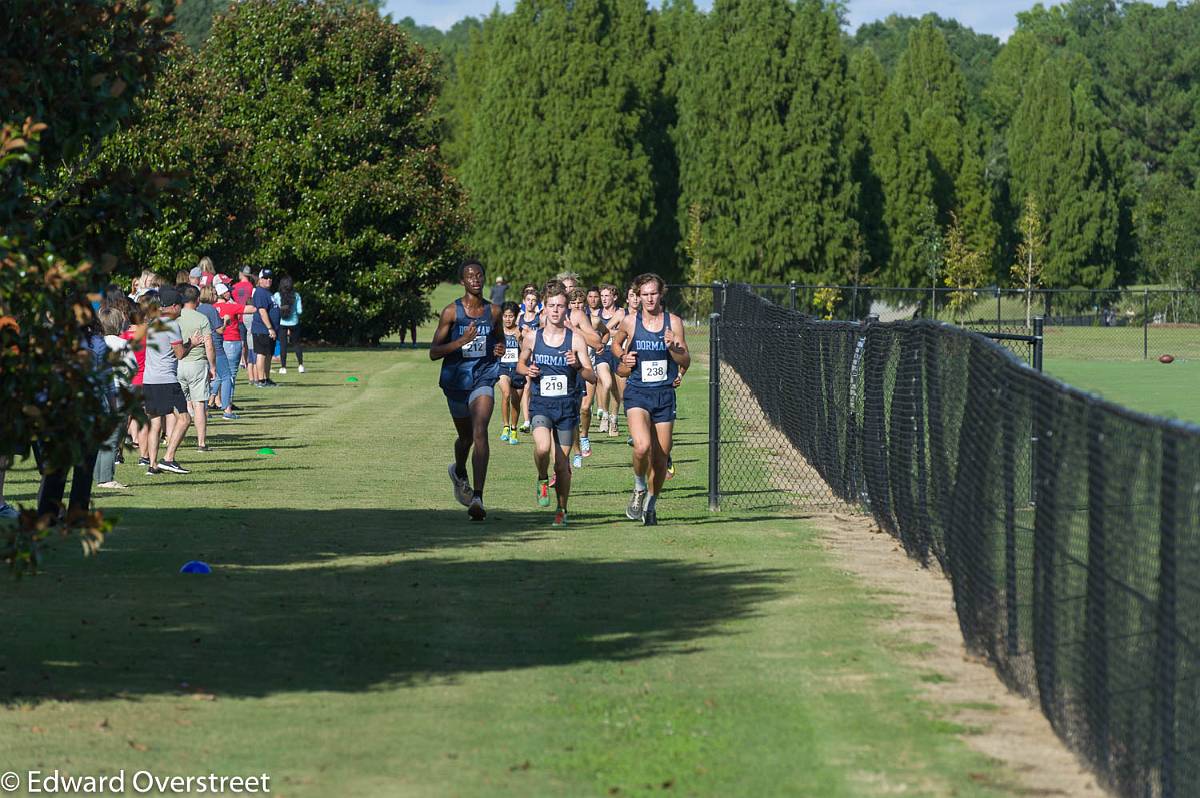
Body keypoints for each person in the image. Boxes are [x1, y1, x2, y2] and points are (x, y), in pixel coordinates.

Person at [430, 259, 505, 521]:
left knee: (480, 429)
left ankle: (478, 497)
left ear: (484, 278)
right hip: (456, 381)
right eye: (469, 276)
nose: (475, 279)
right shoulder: (451, 312)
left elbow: (500, 338)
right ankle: (459, 470)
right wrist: (461, 341)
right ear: (462, 281)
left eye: (479, 275)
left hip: (483, 377)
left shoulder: (494, 311)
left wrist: (500, 348)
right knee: (466, 439)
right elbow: (434, 352)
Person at [611, 273, 689, 526]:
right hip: (637, 392)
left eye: (653, 293)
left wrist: (673, 348)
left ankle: (651, 505)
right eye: (644, 294)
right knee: (642, 446)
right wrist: (624, 356)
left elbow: (684, 360)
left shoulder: (673, 322)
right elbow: (615, 344)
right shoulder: (630, 322)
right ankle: (638, 488)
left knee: (661, 458)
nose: (649, 298)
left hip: (664, 394)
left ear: (661, 293)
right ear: (637, 296)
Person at [517, 280, 595, 527]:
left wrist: (578, 366)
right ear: (544, 307)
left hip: (566, 408)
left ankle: (562, 509)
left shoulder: (575, 340)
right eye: (551, 305)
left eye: (561, 306)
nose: (556, 310)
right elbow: (520, 364)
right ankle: (541, 478)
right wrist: (528, 369)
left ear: (566, 309)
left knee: (562, 466)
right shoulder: (532, 337)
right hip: (541, 405)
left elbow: (592, 376)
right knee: (541, 448)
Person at [142, 287, 202, 475]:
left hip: (149, 380)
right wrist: (192, 343)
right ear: (174, 306)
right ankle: (168, 458)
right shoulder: (171, 325)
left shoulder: (153, 322)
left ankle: (152, 465)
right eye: (181, 306)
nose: (182, 309)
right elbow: (180, 354)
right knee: (185, 419)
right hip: (166, 380)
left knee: (154, 422)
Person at [94, 306, 136, 490]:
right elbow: (131, 368)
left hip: (99, 392)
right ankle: (106, 478)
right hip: (118, 391)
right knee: (113, 437)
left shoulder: (96, 343)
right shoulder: (122, 344)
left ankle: (98, 475)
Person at [177, 284, 218, 452]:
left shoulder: (176, 318)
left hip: (179, 364)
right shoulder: (201, 319)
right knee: (199, 404)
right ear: (197, 300)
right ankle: (201, 443)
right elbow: (209, 345)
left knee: (181, 404)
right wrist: (213, 366)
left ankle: (173, 438)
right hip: (197, 364)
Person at [211, 281, 246, 420]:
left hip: (219, 343)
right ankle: (227, 408)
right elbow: (251, 309)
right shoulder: (230, 306)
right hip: (232, 341)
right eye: (227, 291)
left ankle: (211, 402)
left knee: (219, 376)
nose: (229, 293)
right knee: (230, 376)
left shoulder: (212, 308)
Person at [595, 283, 622, 437]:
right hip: (602, 352)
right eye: (602, 296)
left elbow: (622, 332)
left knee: (617, 392)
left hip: (617, 352)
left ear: (615, 297)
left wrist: (604, 331)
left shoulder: (620, 313)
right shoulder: (596, 314)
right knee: (607, 383)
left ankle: (614, 419)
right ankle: (605, 415)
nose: (604, 299)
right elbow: (595, 332)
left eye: (607, 296)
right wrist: (613, 332)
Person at [497, 301, 525, 445]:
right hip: (502, 368)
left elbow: (526, 351)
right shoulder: (497, 331)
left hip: (518, 370)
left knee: (515, 402)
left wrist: (519, 339)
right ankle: (506, 426)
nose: (508, 319)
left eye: (511, 316)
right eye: (505, 316)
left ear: (516, 317)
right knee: (506, 394)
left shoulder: (521, 331)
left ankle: (514, 429)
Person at [516, 284, 541, 433]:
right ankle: (526, 421)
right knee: (526, 387)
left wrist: (530, 333)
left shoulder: (540, 318)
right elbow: (517, 340)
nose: (531, 302)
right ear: (524, 301)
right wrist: (520, 336)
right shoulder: (518, 318)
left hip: (538, 357)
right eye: (528, 300)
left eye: (533, 300)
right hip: (524, 358)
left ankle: (537, 417)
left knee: (535, 389)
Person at [250, 268, 279, 388]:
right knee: (261, 354)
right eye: (265, 278)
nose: (268, 280)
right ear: (260, 280)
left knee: (268, 354)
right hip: (262, 329)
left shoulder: (268, 293)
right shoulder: (260, 292)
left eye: (270, 278)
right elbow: (262, 311)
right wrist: (269, 328)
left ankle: (266, 378)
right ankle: (260, 380)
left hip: (269, 329)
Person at [274, 275, 304, 374]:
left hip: (282, 322)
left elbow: (275, 310)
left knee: (283, 345)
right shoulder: (296, 295)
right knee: (296, 344)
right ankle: (300, 366)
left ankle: (283, 367)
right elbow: (299, 311)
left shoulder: (277, 295)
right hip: (294, 322)